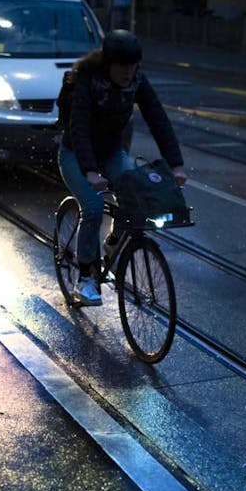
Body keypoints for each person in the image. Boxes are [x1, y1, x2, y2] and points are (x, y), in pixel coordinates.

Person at [58, 29, 187, 306]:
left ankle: (113, 247)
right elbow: (79, 128)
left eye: (133, 65)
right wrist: (90, 171)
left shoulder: (137, 82)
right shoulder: (87, 81)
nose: (128, 71)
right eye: (122, 66)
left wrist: (176, 166)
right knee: (92, 208)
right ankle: (85, 277)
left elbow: (159, 121)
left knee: (134, 197)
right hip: (74, 153)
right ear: (108, 64)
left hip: (111, 151)